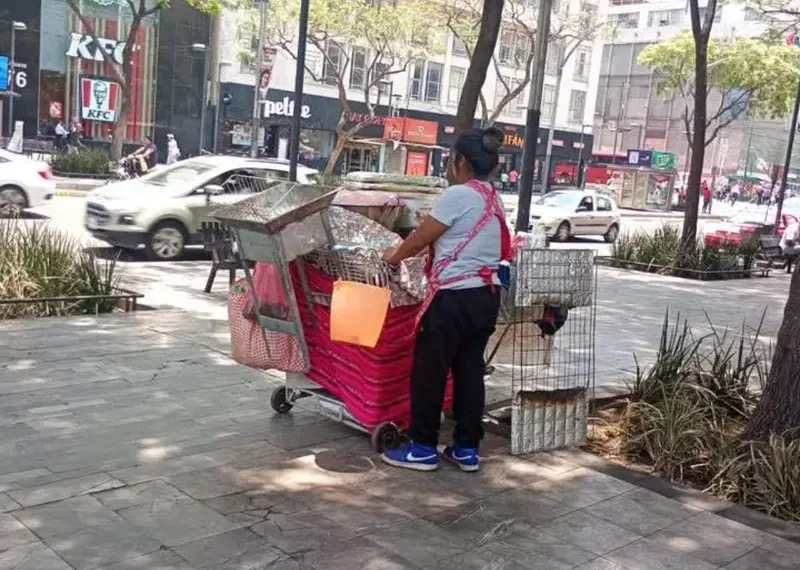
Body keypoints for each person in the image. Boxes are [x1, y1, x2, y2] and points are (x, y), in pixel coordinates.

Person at [380, 127, 512, 473]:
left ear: (460, 162)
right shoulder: (493, 198)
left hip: (453, 299)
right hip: (485, 297)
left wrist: (390, 259)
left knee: (430, 371)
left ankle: (423, 446)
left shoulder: (458, 195)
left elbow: (418, 241)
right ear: (493, 167)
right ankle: (467, 448)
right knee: (470, 370)